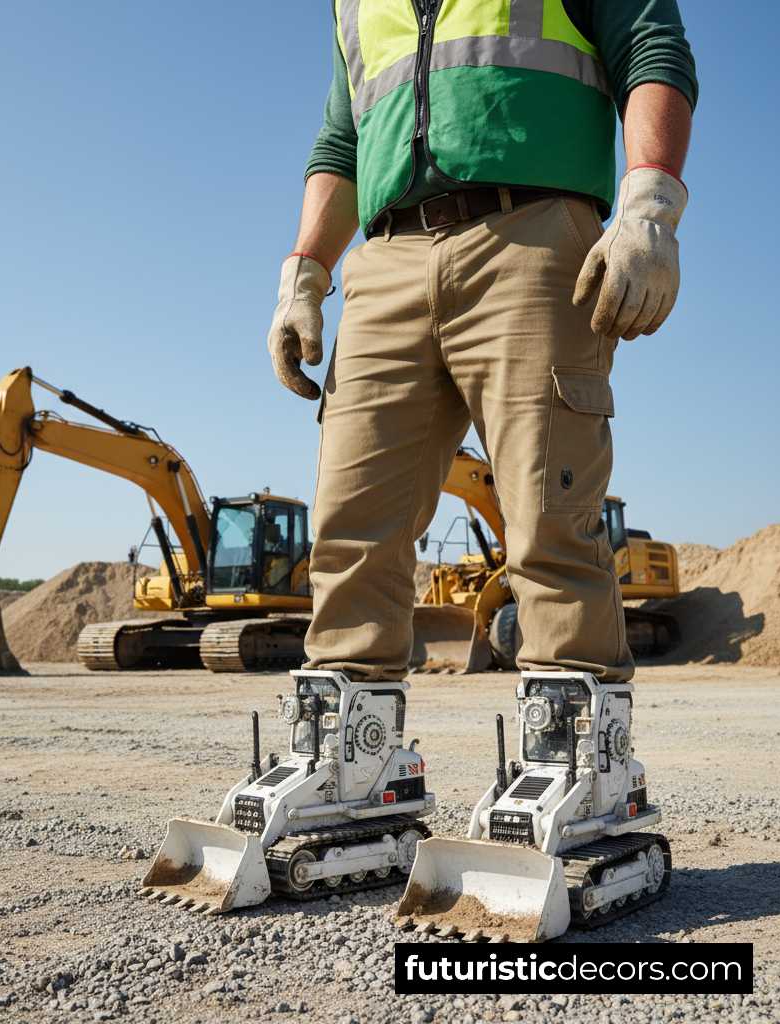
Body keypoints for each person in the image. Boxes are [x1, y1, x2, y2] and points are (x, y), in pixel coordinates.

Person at [267, 0, 697, 682]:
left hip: (531, 235)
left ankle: (577, 755)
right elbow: (341, 138)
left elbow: (652, 49)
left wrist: (652, 204)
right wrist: (306, 273)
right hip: (384, 265)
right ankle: (352, 753)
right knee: (350, 529)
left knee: (549, 518)